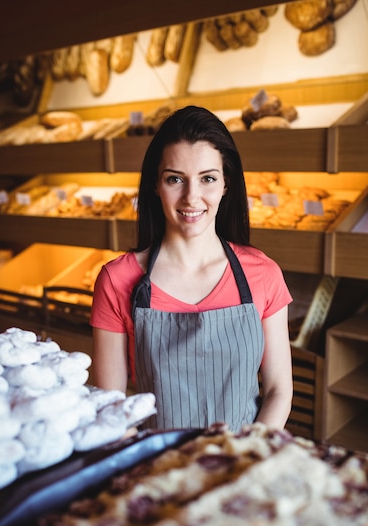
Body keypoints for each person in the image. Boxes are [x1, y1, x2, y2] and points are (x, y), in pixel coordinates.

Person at [90, 105, 293, 432]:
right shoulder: (118, 280)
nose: (191, 197)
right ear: (156, 186)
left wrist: (246, 457)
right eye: (175, 179)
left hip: (243, 464)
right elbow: (113, 408)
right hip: (156, 466)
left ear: (226, 184)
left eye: (208, 179)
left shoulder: (263, 274)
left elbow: (278, 391)